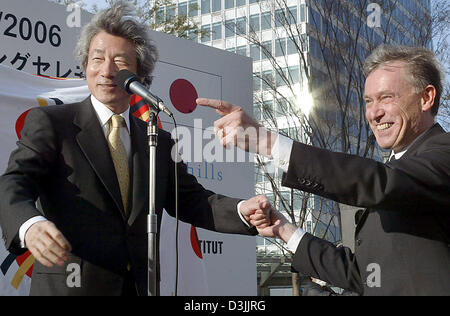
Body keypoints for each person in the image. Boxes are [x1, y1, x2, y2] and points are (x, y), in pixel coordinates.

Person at [0, 3, 270, 296]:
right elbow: (14, 182)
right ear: (86, 65)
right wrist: (30, 225)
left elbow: (192, 200)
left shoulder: (157, 139)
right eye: (97, 59)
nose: (106, 70)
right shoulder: (54, 123)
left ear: (140, 76)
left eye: (120, 62)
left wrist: (243, 210)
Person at [197, 45, 450, 295]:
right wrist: (285, 230)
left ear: (426, 97)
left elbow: (378, 182)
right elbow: (360, 275)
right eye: (368, 101)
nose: (374, 113)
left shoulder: (442, 154)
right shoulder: (395, 173)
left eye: (387, 97)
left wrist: (267, 142)